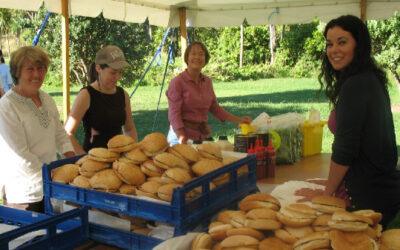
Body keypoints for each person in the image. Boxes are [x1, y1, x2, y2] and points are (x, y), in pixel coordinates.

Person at [295, 15, 400, 228]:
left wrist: (326, 195)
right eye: (329, 44)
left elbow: (345, 149)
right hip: (380, 188)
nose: (334, 50)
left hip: (366, 199)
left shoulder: (357, 84)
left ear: (358, 45)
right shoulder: (369, 78)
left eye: (342, 42)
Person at [0, 46, 75, 213]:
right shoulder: (7, 106)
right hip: (24, 192)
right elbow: (20, 154)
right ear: (17, 72)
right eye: (30, 69)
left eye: (41, 68)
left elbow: (60, 135)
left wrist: (72, 163)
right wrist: (51, 174)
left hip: (51, 188)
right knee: (30, 238)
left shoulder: (46, 99)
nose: (36, 74)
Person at [166, 42, 252, 146]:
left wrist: (240, 120)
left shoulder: (207, 82)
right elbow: (174, 113)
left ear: (205, 60)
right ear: (187, 58)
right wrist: (181, 136)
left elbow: (215, 108)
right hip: (179, 138)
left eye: (201, 54)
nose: (197, 57)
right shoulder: (177, 82)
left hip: (201, 136)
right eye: (193, 53)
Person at [64, 45, 138, 154]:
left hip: (118, 158)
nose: (117, 77)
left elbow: (129, 129)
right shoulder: (86, 95)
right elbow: (67, 132)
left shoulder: (123, 95)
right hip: (94, 160)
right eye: (113, 72)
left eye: (120, 72)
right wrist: (83, 158)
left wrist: (132, 153)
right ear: (98, 68)